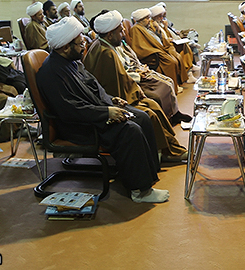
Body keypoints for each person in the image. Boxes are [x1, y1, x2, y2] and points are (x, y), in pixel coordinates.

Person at [36, 17, 169, 203]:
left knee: (141, 117)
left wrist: (111, 101)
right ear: (65, 47)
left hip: (94, 113)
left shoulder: (71, 61)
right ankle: (140, 191)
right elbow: (69, 110)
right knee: (130, 130)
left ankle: (146, 174)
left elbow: (94, 86)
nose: (84, 45)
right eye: (80, 42)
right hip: (79, 126)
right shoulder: (50, 73)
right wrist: (106, 112)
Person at [84, 10, 187, 160]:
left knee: (153, 105)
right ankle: (163, 152)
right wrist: (138, 93)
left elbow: (121, 80)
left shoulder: (104, 45)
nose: (125, 32)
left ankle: (168, 148)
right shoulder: (106, 53)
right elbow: (115, 87)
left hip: (123, 93)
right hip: (114, 101)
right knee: (150, 112)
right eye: (120, 31)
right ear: (110, 34)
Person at [117, 27, 189, 124]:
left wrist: (141, 67)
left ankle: (175, 113)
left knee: (169, 81)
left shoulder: (120, 44)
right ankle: (167, 118)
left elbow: (132, 59)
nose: (124, 31)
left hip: (139, 69)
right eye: (120, 30)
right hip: (134, 76)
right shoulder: (136, 30)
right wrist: (138, 73)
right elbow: (141, 49)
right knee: (163, 87)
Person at [128, 8, 183, 88]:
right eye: (147, 18)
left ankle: (175, 84)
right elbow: (140, 47)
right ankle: (172, 87)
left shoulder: (146, 27)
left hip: (159, 49)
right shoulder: (136, 29)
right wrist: (156, 51)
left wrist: (158, 31)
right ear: (140, 20)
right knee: (170, 62)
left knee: (174, 58)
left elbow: (155, 39)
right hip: (153, 53)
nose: (149, 20)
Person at [149, 5, 197, 83]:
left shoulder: (160, 23)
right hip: (164, 47)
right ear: (155, 16)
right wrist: (167, 40)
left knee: (184, 45)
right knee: (180, 50)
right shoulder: (153, 25)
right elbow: (158, 39)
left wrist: (165, 27)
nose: (162, 18)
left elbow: (166, 34)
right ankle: (188, 73)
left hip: (168, 43)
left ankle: (189, 71)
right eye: (160, 16)